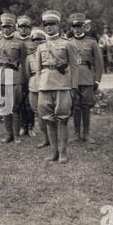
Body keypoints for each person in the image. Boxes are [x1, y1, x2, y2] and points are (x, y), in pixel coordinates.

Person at [35, 10, 79, 163]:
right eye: (45, 24)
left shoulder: (67, 44)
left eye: (51, 24)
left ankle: (63, 152)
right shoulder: (40, 46)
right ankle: (53, 152)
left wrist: (74, 87)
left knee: (62, 118)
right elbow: (38, 69)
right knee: (48, 119)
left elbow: (74, 67)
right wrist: (38, 86)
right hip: (45, 85)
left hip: (62, 84)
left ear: (58, 25)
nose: (48, 27)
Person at [68, 13, 104, 144]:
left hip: (88, 77)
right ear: (72, 28)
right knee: (76, 106)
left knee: (86, 106)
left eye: (80, 26)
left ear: (84, 27)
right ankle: (76, 133)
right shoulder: (68, 43)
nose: (77, 29)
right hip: (73, 79)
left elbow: (99, 63)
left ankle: (86, 134)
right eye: (75, 26)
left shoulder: (92, 42)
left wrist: (97, 80)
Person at [0, 13, 25, 144]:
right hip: (1, 76)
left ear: (13, 28)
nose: (6, 29)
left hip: (15, 76)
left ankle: (17, 135)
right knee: (5, 107)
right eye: (4, 26)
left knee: (15, 107)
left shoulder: (20, 43)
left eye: (9, 27)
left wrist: (23, 80)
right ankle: (9, 134)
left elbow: (24, 62)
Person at [25, 28, 50, 147]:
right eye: (34, 40)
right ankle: (45, 138)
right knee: (37, 112)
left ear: (44, 40)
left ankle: (52, 136)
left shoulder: (49, 53)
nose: (37, 42)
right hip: (34, 85)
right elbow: (27, 73)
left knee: (48, 111)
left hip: (47, 84)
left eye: (40, 40)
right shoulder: (29, 57)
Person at [16, 15, 35, 137]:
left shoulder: (34, 42)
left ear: (30, 28)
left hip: (32, 75)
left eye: (26, 27)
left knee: (31, 102)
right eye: (21, 27)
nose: (23, 30)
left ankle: (31, 126)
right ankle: (23, 126)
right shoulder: (14, 41)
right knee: (21, 102)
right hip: (18, 75)